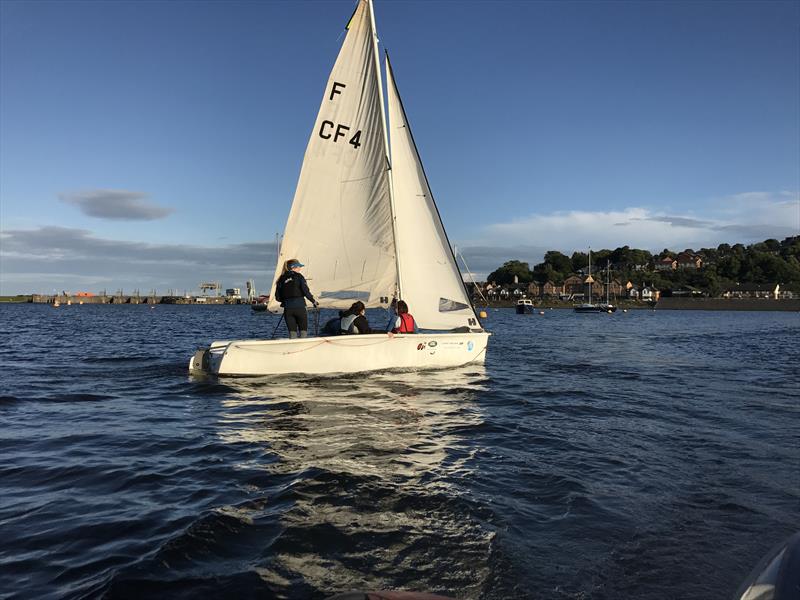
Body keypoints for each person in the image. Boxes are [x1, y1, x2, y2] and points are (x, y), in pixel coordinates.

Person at [274, 258, 317, 338]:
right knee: (303, 332)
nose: (300, 268)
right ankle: (303, 349)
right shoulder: (299, 276)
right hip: (300, 308)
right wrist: (313, 301)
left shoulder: (281, 279)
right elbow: (306, 291)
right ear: (293, 267)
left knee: (292, 334)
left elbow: (277, 297)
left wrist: (286, 301)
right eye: (298, 267)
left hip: (288, 310)